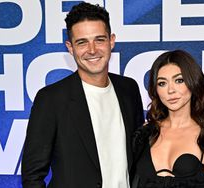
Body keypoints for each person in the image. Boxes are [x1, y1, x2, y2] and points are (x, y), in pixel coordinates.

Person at [22, 2, 144, 188]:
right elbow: (32, 176)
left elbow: (139, 156)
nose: (92, 50)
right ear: (70, 48)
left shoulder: (129, 89)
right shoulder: (51, 99)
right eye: (82, 42)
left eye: (99, 40)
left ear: (111, 41)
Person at [131, 50, 204, 188]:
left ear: (192, 82)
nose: (171, 90)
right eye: (162, 83)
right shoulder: (146, 132)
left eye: (179, 80)